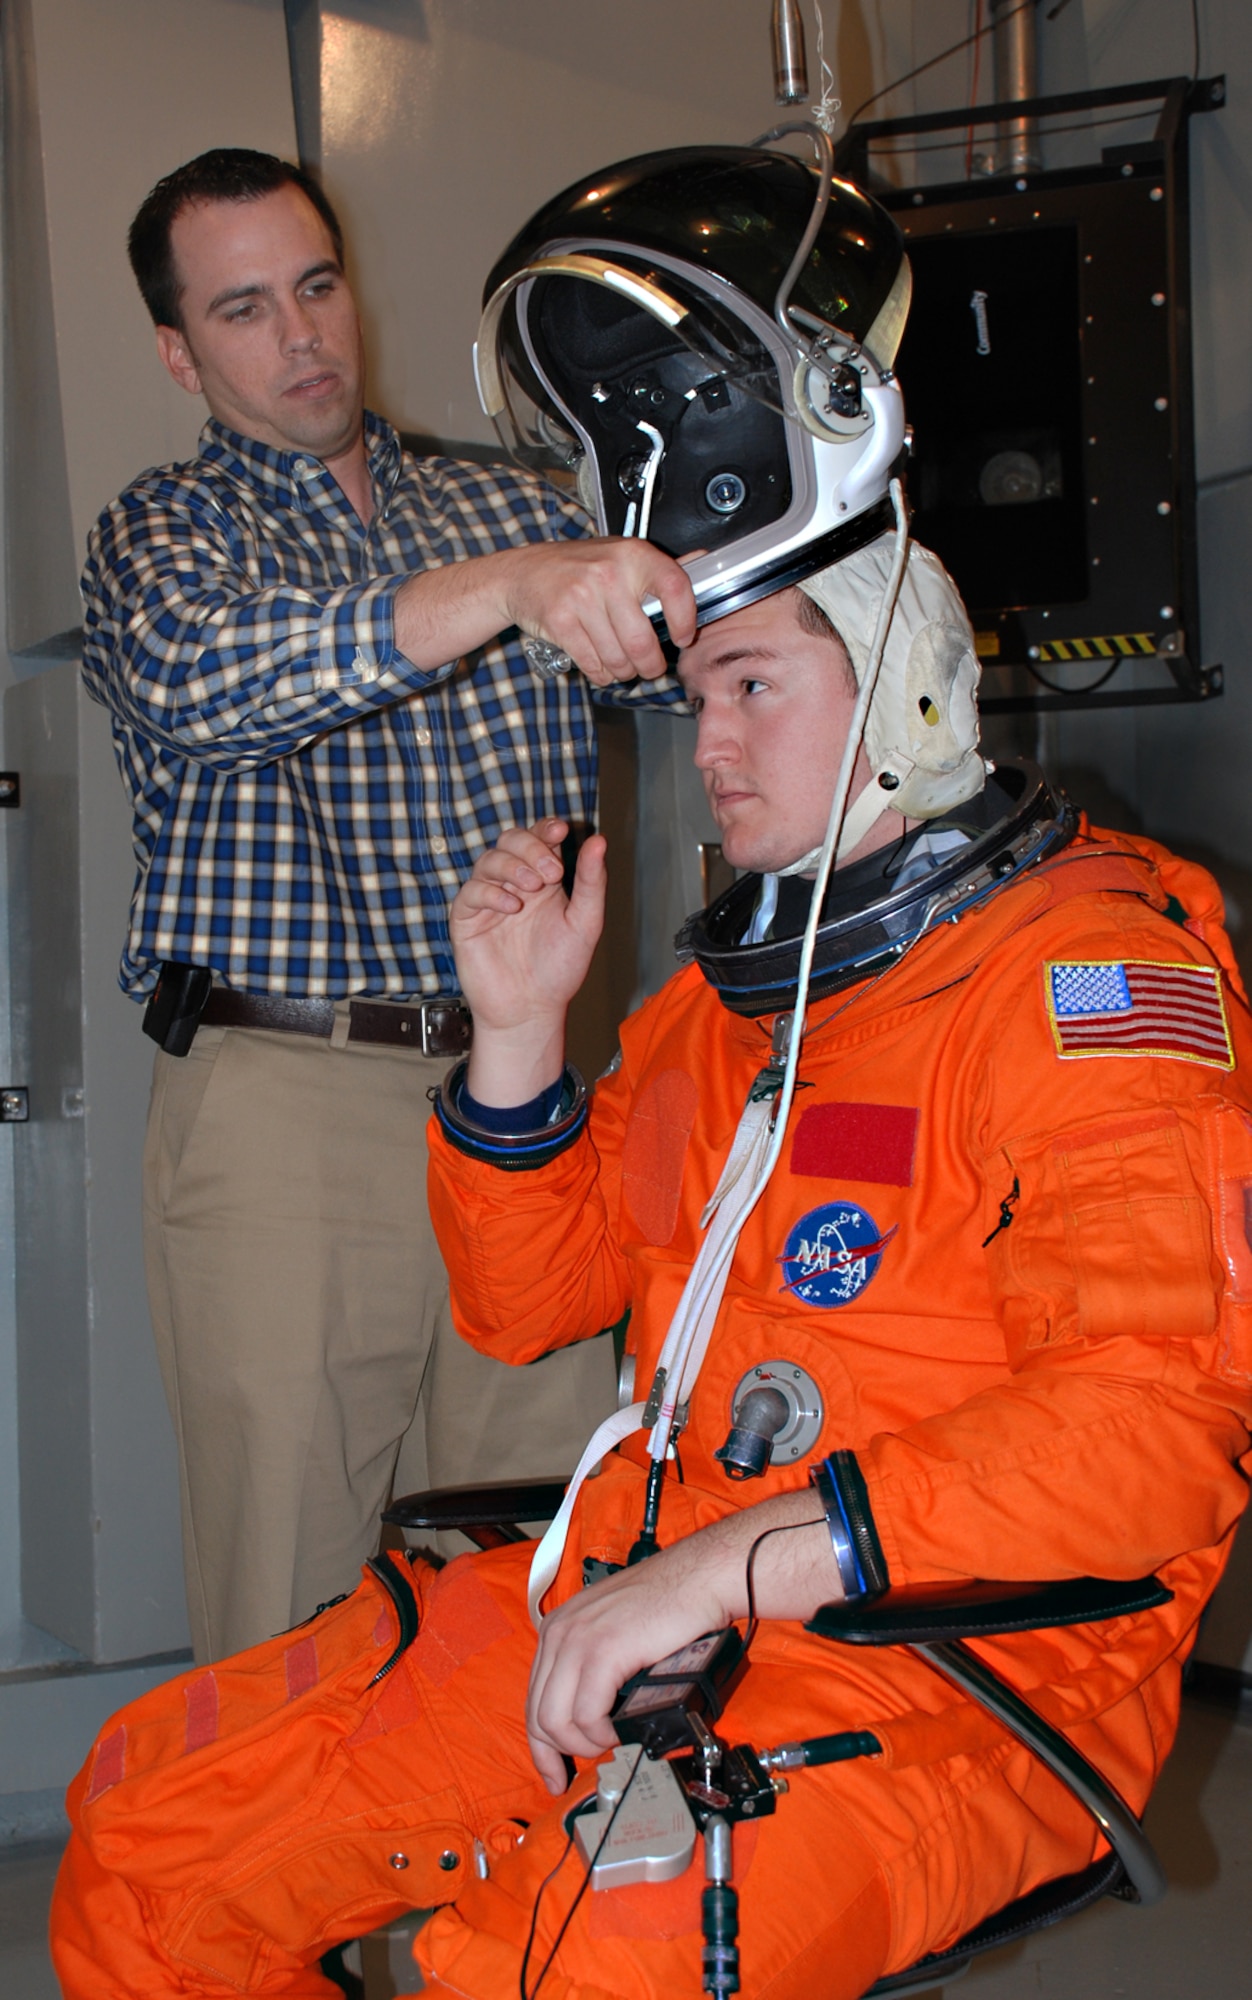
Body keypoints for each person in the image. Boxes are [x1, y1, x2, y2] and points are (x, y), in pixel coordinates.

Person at [52, 535, 1252, 2000]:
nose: (714, 744)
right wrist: (514, 1035)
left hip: (953, 1661)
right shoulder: (717, 1006)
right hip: (637, 1597)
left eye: (754, 684)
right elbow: (524, 1307)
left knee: (556, 1967)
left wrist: (727, 1566)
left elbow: (1152, 1434)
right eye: (696, 699)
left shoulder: (1089, 983)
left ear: (911, 698)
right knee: (151, 1838)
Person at [82, 148, 698, 1663]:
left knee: (533, 1552)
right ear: (178, 349)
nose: (300, 335)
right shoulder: (163, 537)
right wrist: (511, 588)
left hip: (528, 1095)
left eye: (316, 284)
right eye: (242, 310)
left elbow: (705, 648)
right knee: (290, 1587)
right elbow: (204, 678)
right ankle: (298, 1909)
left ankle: (502, 1907)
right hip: (285, 1098)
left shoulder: (516, 506)